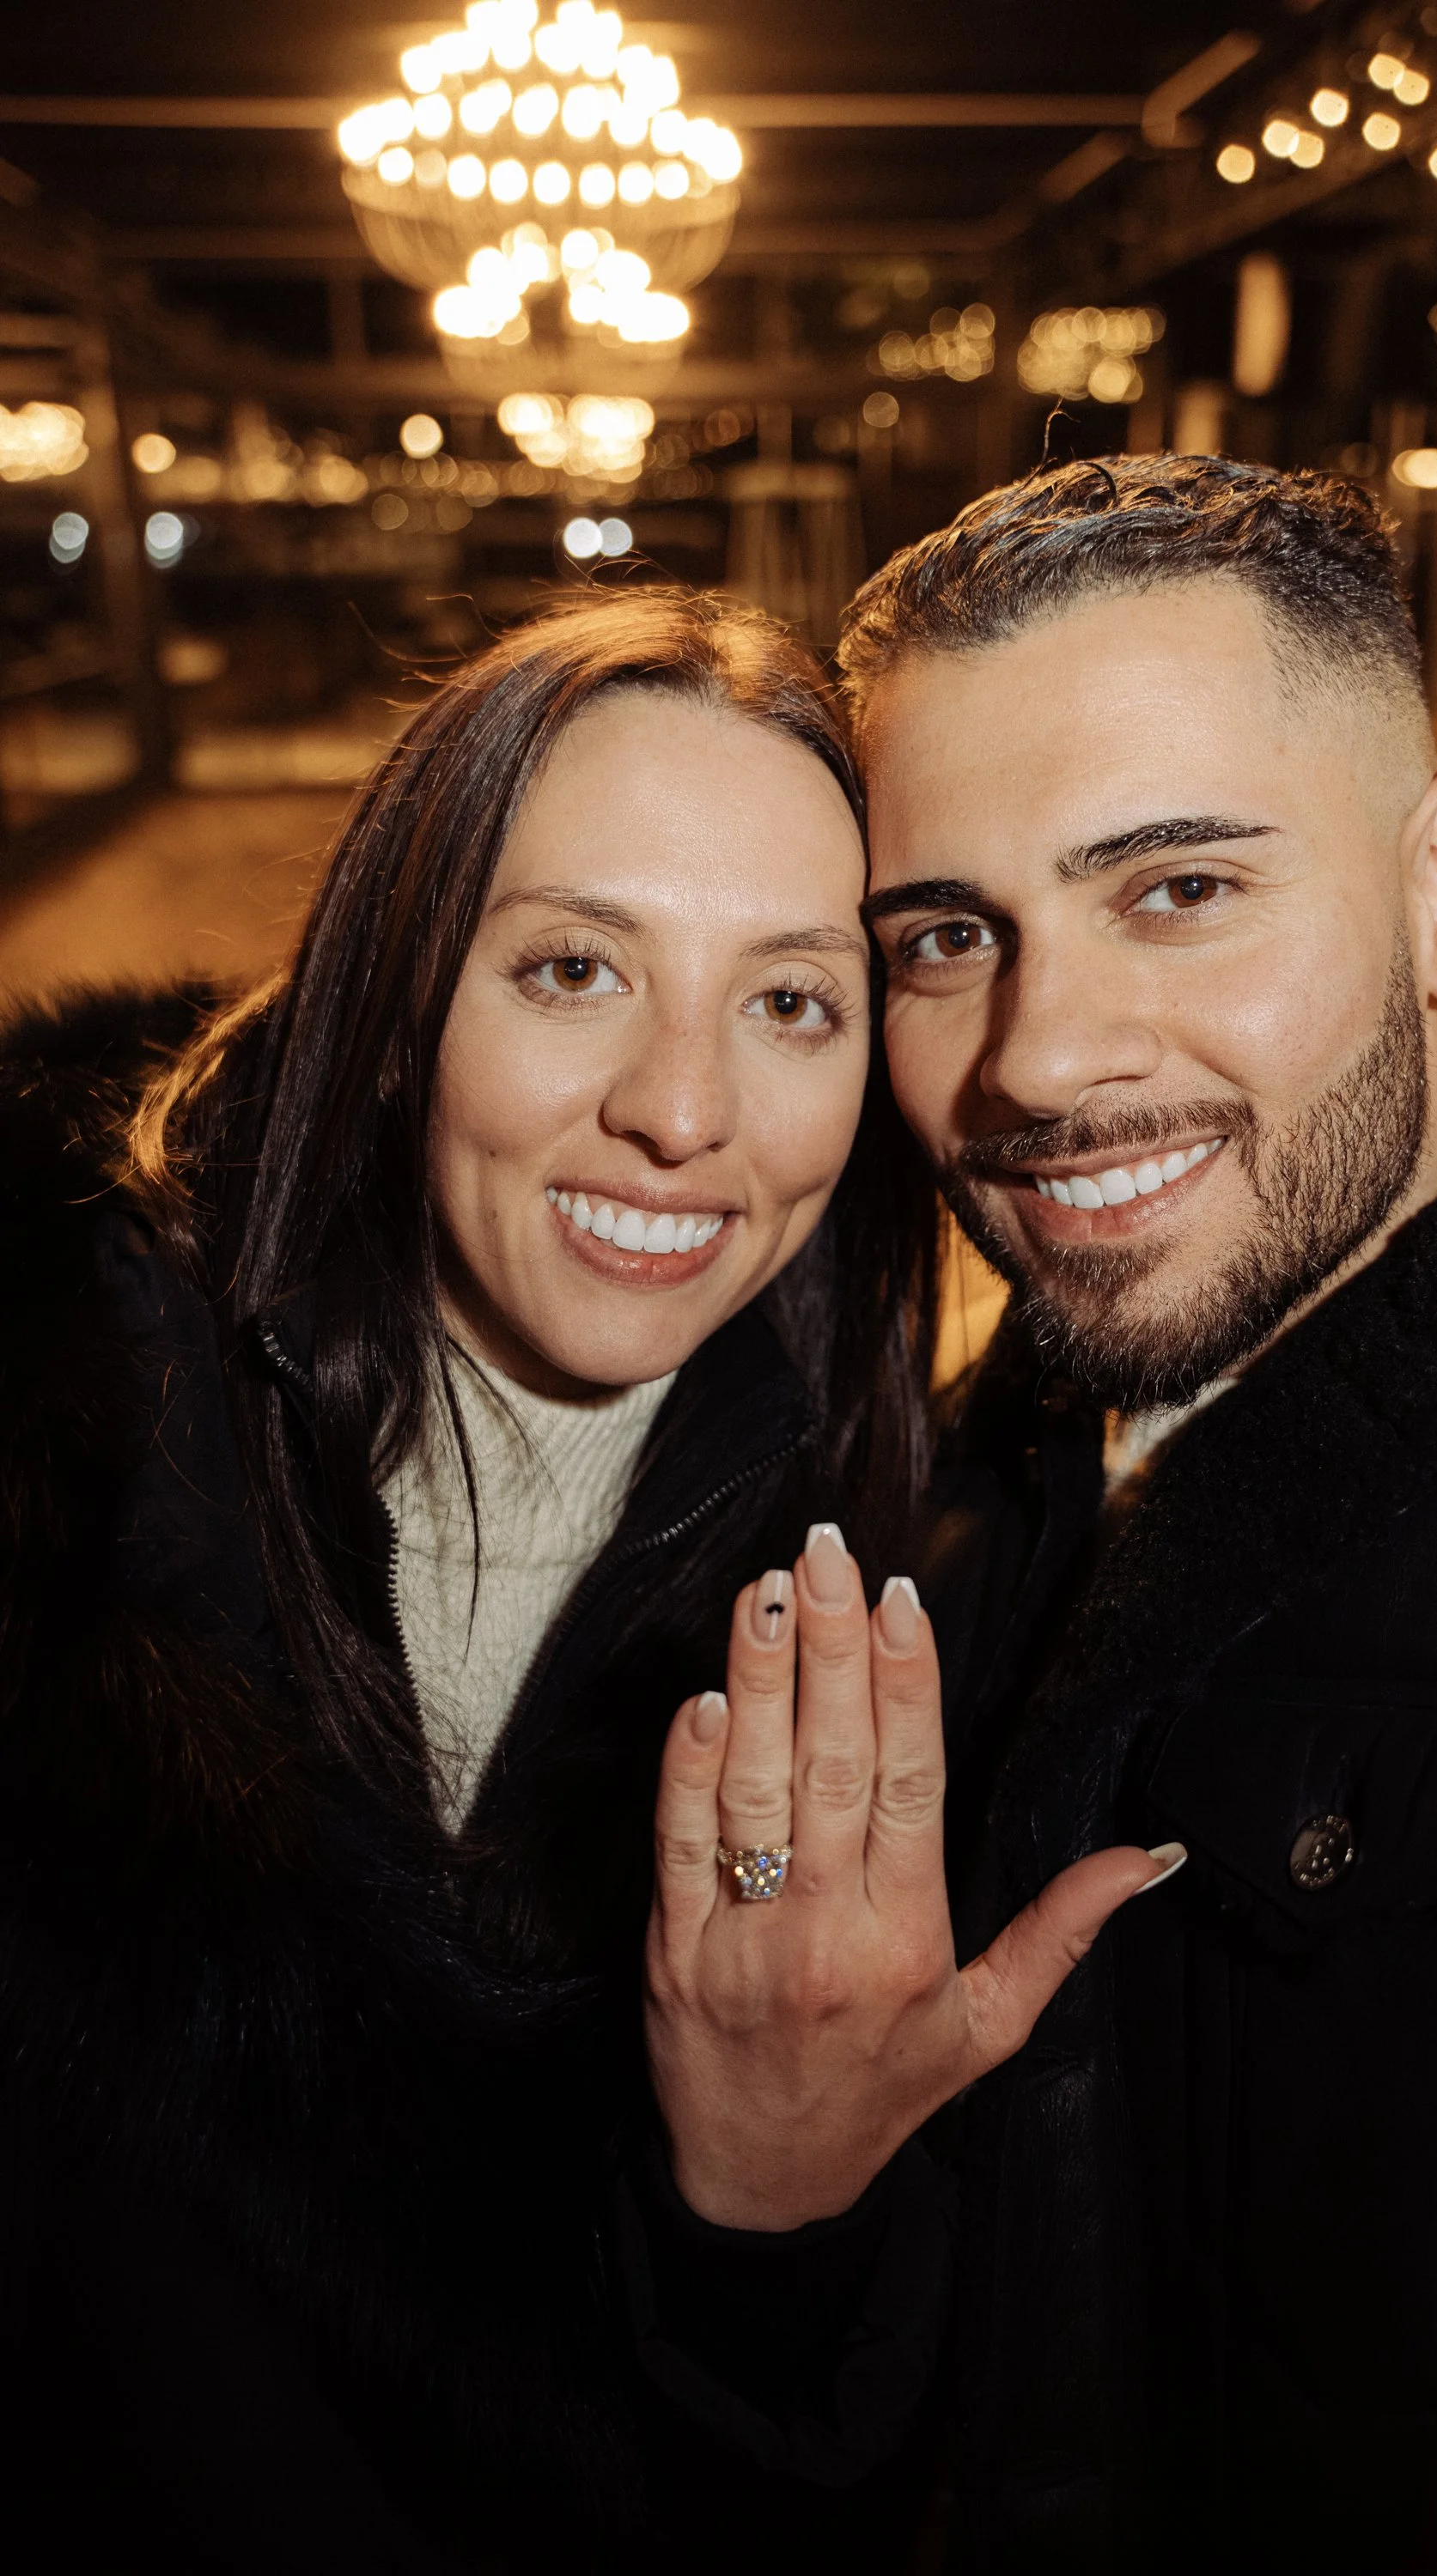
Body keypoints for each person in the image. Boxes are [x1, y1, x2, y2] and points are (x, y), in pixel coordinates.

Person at [642, 458, 1437, 2575]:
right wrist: (767, 2216)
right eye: (949, 938)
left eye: (1177, 890)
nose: (1039, 1061)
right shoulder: (928, 1507)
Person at [0, 586, 961, 2571]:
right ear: (401, 980)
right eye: (574, 969)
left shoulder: (902, 1584)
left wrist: (769, 2221)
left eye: (789, 999)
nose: (681, 1112)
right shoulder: (55, 1444)